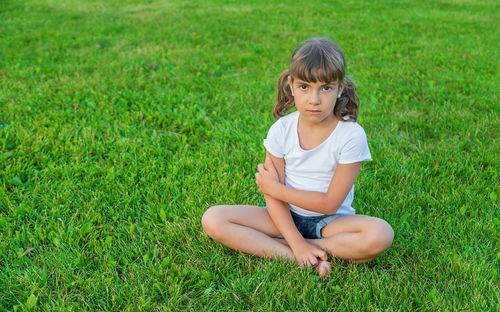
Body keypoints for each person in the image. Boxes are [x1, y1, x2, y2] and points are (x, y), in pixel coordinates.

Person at [202, 37, 394, 276]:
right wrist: (296, 240)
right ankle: (298, 255)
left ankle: (298, 250)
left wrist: (275, 189)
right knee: (214, 218)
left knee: (380, 234)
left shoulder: (351, 135)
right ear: (291, 86)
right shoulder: (281, 130)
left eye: (326, 88)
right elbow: (272, 198)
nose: (314, 99)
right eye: (305, 86)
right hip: (281, 217)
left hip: (331, 222)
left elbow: (329, 203)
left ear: (340, 88)